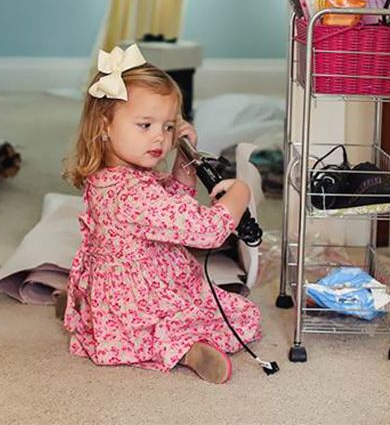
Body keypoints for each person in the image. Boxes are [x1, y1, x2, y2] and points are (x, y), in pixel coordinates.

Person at [61, 44, 261, 384]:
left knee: (218, 308)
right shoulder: (133, 194)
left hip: (123, 294)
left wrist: (184, 163)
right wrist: (241, 191)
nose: (160, 137)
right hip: (142, 303)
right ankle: (187, 350)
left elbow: (170, 213)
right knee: (243, 318)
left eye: (168, 127)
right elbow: (205, 231)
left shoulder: (111, 178)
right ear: (104, 125)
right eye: (145, 125)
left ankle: (87, 310)